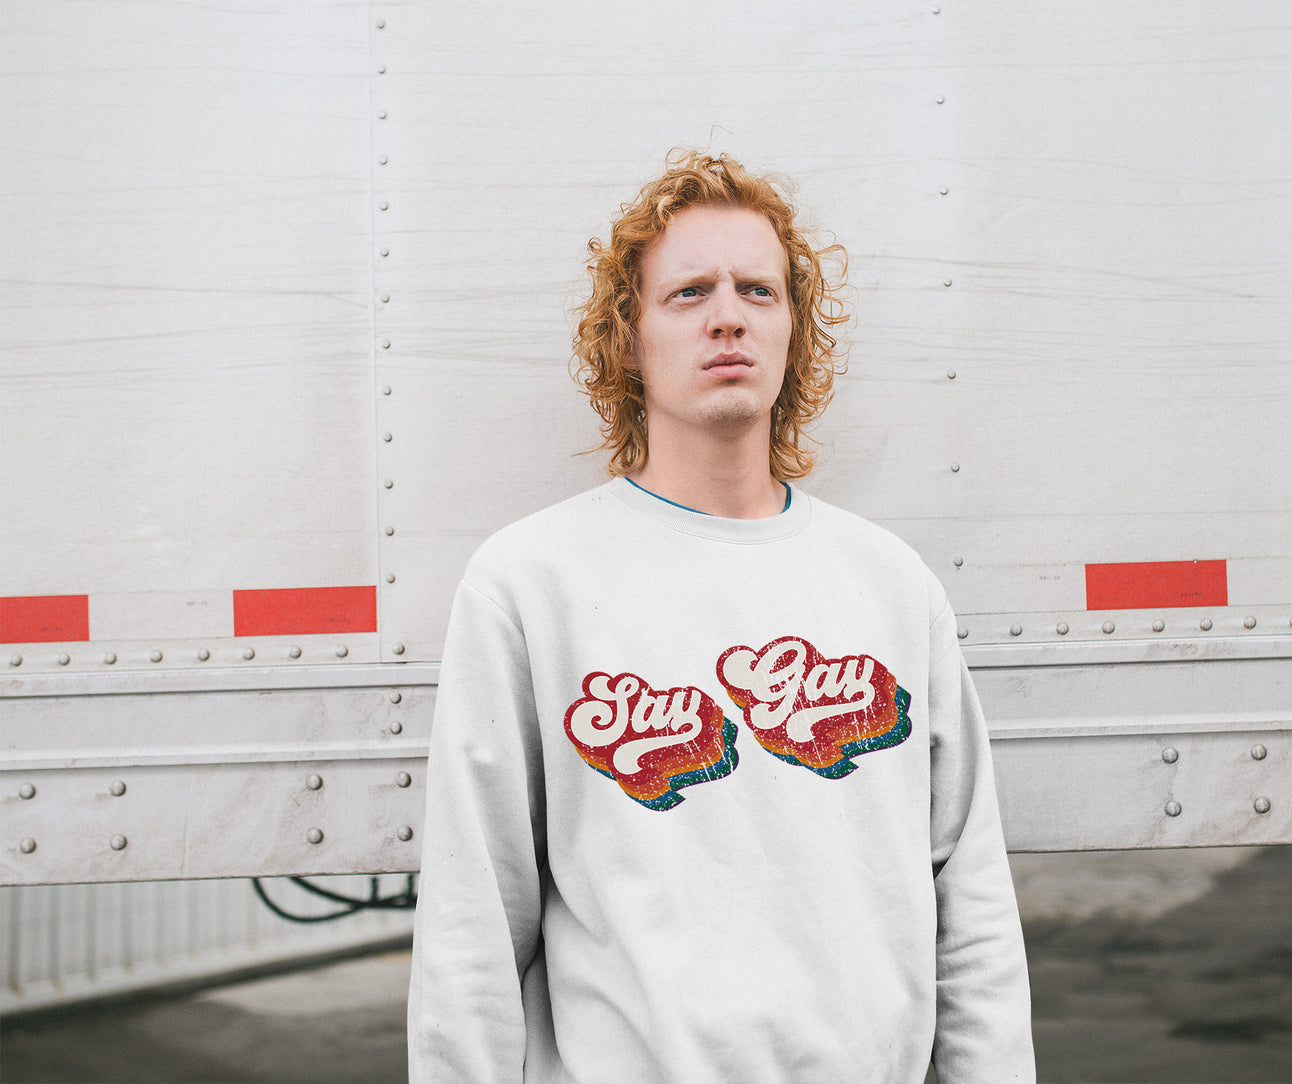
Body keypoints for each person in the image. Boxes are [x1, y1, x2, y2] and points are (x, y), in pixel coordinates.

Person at [407, 150, 1035, 1083]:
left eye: (758, 290)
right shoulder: (529, 584)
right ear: (627, 338)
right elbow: (472, 926)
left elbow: (970, 902)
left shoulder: (890, 586)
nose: (728, 316)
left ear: (792, 330)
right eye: (688, 292)